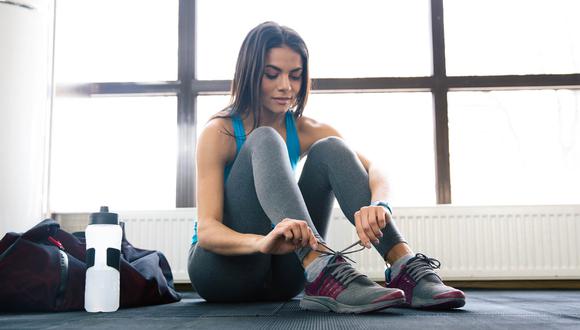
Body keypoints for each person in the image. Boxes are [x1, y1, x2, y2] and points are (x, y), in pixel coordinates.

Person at [188, 21, 465, 313]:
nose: (286, 86)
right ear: (250, 73)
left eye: (295, 76)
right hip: (221, 273)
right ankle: (320, 266)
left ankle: (402, 265)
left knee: (333, 147)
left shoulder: (308, 129)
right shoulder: (220, 132)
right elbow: (207, 231)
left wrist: (379, 204)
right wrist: (262, 242)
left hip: (285, 278)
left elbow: (376, 169)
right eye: (272, 75)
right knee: (264, 138)